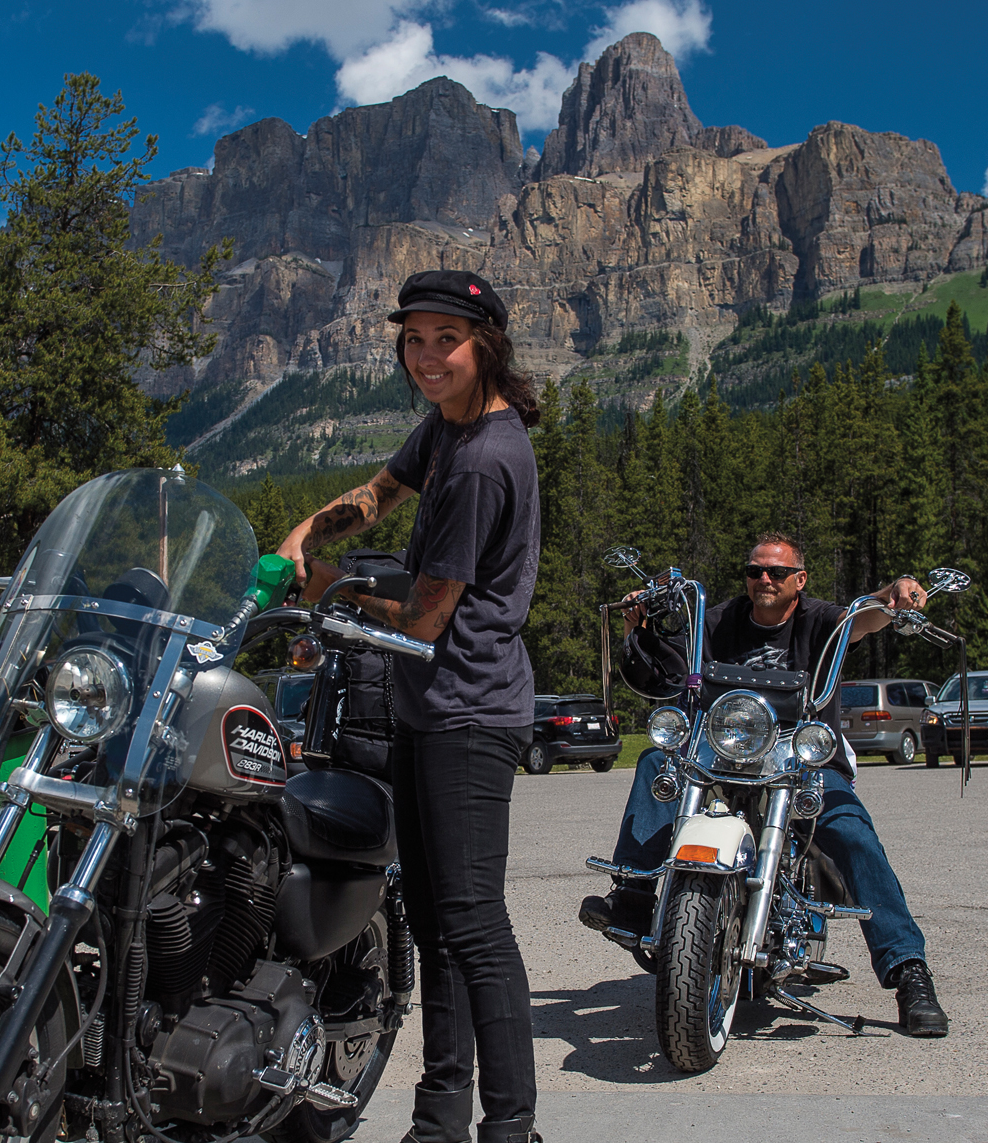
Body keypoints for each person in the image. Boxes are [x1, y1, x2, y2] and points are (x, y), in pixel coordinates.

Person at [278, 270, 543, 1143]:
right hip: (433, 708)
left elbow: (427, 617)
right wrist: (311, 531)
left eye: (446, 339)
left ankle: (509, 1128)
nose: (426, 356)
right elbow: (383, 490)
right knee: (434, 925)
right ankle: (439, 1122)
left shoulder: (483, 461)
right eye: (414, 338)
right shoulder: (446, 430)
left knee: (472, 925)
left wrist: (335, 591)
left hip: (469, 713)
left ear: (486, 345)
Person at [579, 533, 949, 1036]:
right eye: (755, 571)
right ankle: (635, 895)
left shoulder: (822, 620)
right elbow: (668, 673)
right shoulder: (717, 619)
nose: (764, 580)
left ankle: (909, 970)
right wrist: (639, 626)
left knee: (854, 834)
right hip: (723, 757)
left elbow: (868, 617)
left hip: (802, 759)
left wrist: (896, 594)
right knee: (654, 764)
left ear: (800, 579)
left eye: (776, 572)